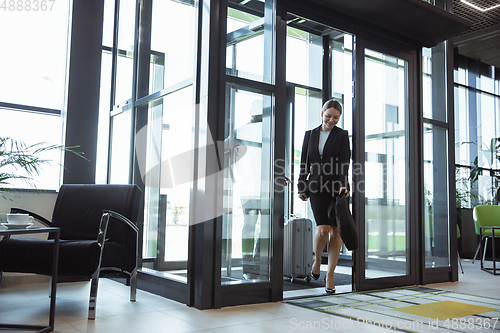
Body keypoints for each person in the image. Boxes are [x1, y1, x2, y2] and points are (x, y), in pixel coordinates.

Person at [297, 99, 350, 294]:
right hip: (317, 186)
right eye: (328, 116)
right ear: (322, 114)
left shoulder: (342, 135)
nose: (331, 120)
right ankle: (317, 259)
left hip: (337, 187)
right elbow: (304, 163)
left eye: (335, 117)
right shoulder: (310, 135)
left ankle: (330, 276)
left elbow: (345, 161)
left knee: (336, 231)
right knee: (323, 229)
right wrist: (301, 186)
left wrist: (345, 184)